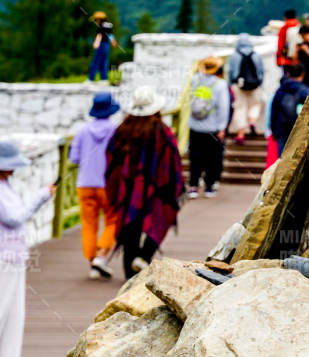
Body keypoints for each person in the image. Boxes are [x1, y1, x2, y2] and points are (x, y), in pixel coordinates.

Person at [0, 138, 55, 357]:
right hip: (1, 257)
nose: (15, 169)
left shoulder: (2, 185)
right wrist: (41, 196)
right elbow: (13, 217)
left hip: (12, 256)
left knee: (11, 312)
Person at [105, 89, 184, 275]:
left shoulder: (122, 130)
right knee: (162, 216)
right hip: (157, 187)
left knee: (130, 225)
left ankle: (129, 270)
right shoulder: (162, 131)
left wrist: (116, 186)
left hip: (128, 187)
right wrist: (174, 184)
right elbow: (172, 160)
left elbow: (111, 160)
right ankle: (144, 255)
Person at [69, 90, 120, 279]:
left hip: (85, 183)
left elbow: (74, 157)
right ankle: (101, 255)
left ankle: (92, 261)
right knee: (113, 219)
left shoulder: (82, 131)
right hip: (107, 184)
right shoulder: (115, 130)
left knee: (88, 222)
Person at [185, 56, 229, 198]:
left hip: (195, 125)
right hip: (213, 127)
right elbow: (223, 107)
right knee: (213, 158)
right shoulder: (220, 84)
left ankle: (193, 186)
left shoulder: (195, 79)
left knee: (195, 156)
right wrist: (222, 127)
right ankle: (209, 186)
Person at [227, 34, 265, 145]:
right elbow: (261, 72)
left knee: (240, 108)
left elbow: (230, 73)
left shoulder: (234, 56)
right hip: (255, 85)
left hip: (239, 85)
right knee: (255, 105)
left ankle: (240, 134)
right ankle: (252, 122)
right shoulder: (256, 55)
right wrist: (259, 84)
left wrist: (231, 85)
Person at [269, 62, 309, 159]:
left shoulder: (280, 90)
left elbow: (273, 112)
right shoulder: (305, 91)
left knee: (282, 158)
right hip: (298, 129)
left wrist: (274, 131)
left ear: (288, 73)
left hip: (282, 128)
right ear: (302, 74)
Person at [87, 10, 117, 83]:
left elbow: (99, 35)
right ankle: (104, 79)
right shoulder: (109, 25)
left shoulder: (100, 25)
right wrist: (113, 42)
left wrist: (96, 43)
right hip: (106, 45)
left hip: (101, 45)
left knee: (96, 62)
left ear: (99, 19)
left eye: (96, 20)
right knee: (104, 62)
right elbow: (110, 35)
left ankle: (91, 79)